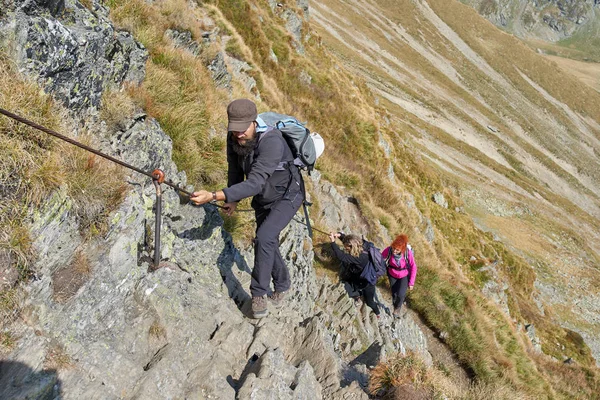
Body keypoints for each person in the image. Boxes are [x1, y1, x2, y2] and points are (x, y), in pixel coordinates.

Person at [190, 99, 304, 319]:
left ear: (254, 122)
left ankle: (259, 294)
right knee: (267, 240)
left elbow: (255, 182)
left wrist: (214, 195)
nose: (238, 135)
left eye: (242, 129)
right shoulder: (234, 136)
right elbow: (235, 169)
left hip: (287, 195)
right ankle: (282, 283)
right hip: (263, 198)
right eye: (234, 130)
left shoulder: (272, 141)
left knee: (264, 237)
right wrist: (232, 198)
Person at [329, 232, 381, 318]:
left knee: (369, 301)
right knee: (349, 281)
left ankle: (377, 311)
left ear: (351, 247)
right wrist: (340, 235)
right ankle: (357, 295)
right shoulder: (363, 244)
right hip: (359, 275)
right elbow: (350, 241)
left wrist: (332, 242)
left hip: (368, 282)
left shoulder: (359, 258)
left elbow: (341, 256)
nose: (345, 248)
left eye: (346, 247)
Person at [381, 234, 417, 317]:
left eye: (397, 250)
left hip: (404, 275)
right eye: (393, 248)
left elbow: (413, 267)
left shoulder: (407, 253)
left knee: (401, 294)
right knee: (394, 294)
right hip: (392, 273)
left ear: (402, 249)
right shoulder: (389, 250)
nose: (394, 251)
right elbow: (381, 258)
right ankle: (395, 306)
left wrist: (411, 282)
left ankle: (398, 308)